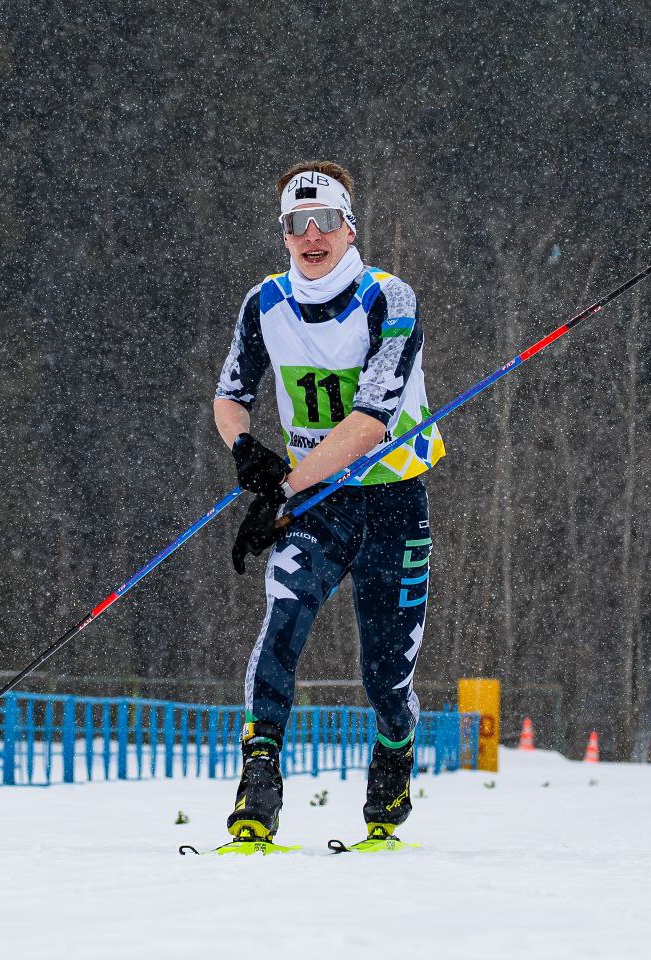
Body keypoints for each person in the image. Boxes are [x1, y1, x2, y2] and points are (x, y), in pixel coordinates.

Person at [213, 160, 445, 843]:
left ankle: (395, 751)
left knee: (384, 675)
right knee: (282, 620)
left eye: (325, 222)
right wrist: (245, 452)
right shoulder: (263, 304)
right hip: (319, 505)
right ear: (283, 234)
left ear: (349, 228)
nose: (312, 236)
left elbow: (370, 423)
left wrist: (284, 486)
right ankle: (258, 780)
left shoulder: (389, 299)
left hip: (392, 501)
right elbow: (230, 396)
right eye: (296, 224)